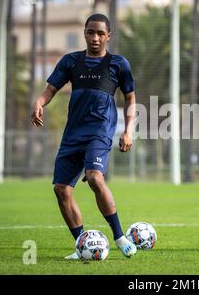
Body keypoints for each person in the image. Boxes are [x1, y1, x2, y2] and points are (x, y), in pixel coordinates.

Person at [31, 14, 137, 259]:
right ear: (85, 33)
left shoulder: (118, 64)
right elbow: (50, 90)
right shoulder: (71, 61)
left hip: (99, 131)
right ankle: (82, 245)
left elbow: (130, 98)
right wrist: (39, 102)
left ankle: (120, 236)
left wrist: (128, 131)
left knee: (95, 178)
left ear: (108, 36)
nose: (95, 38)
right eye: (91, 32)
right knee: (61, 189)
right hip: (72, 134)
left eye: (101, 33)